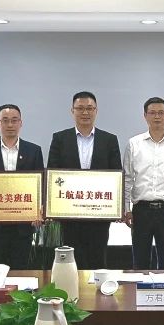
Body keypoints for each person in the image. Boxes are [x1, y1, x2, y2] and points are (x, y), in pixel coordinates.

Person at [47, 91, 122, 270]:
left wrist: (118, 207)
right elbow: (52, 173)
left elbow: (116, 174)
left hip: (99, 215)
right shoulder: (60, 139)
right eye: (80, 108)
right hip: (69, 215)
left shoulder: (109, 140)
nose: (85, 112)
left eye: (89, 108)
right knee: (72, 262)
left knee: (98, 259)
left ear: (96, 111)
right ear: (72, 111)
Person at [0, 104, 44, 269]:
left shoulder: (33, 150)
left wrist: (39, 212)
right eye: (5, 120)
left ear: (21, 123)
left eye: (14, 120)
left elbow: (40, 186)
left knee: (21, 271)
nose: (10, 124)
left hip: (24, 226)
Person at [122, 97, 164, 270]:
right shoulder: (134, 144)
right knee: (140, 262)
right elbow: (127, 178)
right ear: (145, 115)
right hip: (141, 210)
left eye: (161, 113)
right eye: (152, 113)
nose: (157, 116)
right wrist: (126, 208)